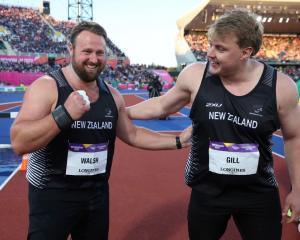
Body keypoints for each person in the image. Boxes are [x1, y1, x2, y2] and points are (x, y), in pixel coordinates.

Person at [127, 9, 300, 240]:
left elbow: (293, 137)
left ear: (245, 52)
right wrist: (117, 112)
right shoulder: (196, 75)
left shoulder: (280, 86)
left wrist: (298, 191)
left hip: (257, 193)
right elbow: (161, 106)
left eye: (220, 48)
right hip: (207, 191)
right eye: (210, 45)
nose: (209, 53)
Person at [10, 21, 191, 240]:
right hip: (52, 194)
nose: (94, 59)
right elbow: (19, 142)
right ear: (70, 49)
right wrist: (64, 114)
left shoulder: (112, 95)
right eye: (86, 51)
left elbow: (132, 134)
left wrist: (179, 140)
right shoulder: (48, 87)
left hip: (96, 195)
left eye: (100, 53)